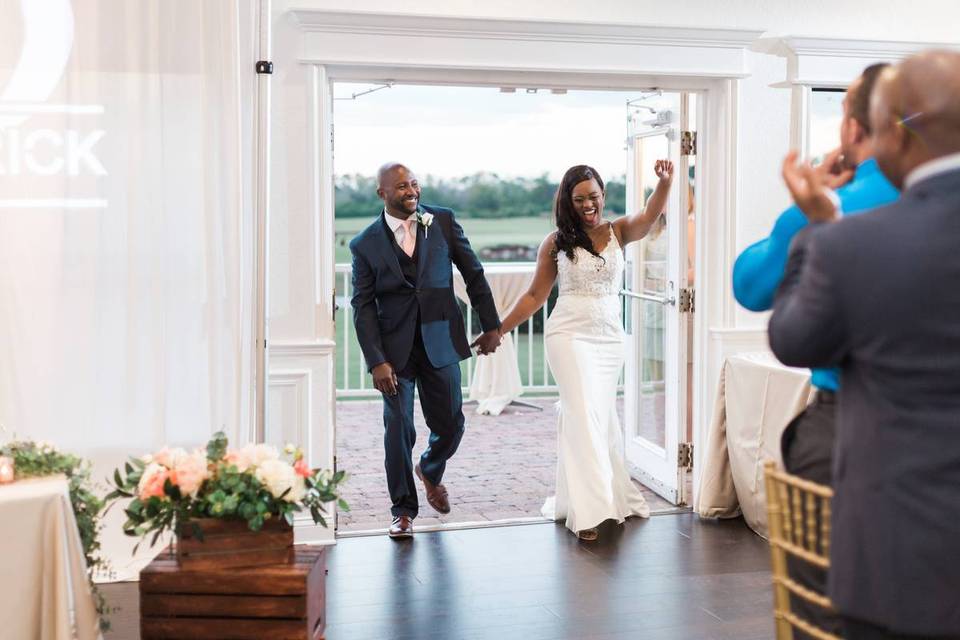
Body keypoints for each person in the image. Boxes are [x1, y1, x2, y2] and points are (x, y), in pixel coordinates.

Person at [769, 50, 960, 639]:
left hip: (902, 567)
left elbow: (793, 337)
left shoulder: (851, 244)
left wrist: (817, 228)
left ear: (894, 136)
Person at [733, 64, 899, 638]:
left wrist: (807, 207)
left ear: (853, 130)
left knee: (828, 607)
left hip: (846, 434)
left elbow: (750, 285)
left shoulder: (834, 210)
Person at [498, 161, 674, 541]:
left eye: (593, 196)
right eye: (579, 199)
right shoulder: (555, 242)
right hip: (568, 335)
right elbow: (534, 296)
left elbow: (650, 214)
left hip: (610, 338)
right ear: (568, 202)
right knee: (581, 416)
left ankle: (602, 496)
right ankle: (590, 512)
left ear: (603, 195)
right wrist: (499, 330)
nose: (588, 204)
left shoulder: (620, 231)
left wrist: (664, 182)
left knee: (601, 417)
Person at [350, 162, 502, 538]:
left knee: (451, 424)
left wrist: (492, 325)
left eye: (414, 184)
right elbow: (363, 306)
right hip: (393, 354)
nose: (411, 191)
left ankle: (431, 468)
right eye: (401, 186)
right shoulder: (364, 244)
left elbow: (474, 272)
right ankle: (403, 510)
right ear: (382, 192)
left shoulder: (443, 221)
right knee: (398, 427)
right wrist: (376, 361)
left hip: (440, 342)